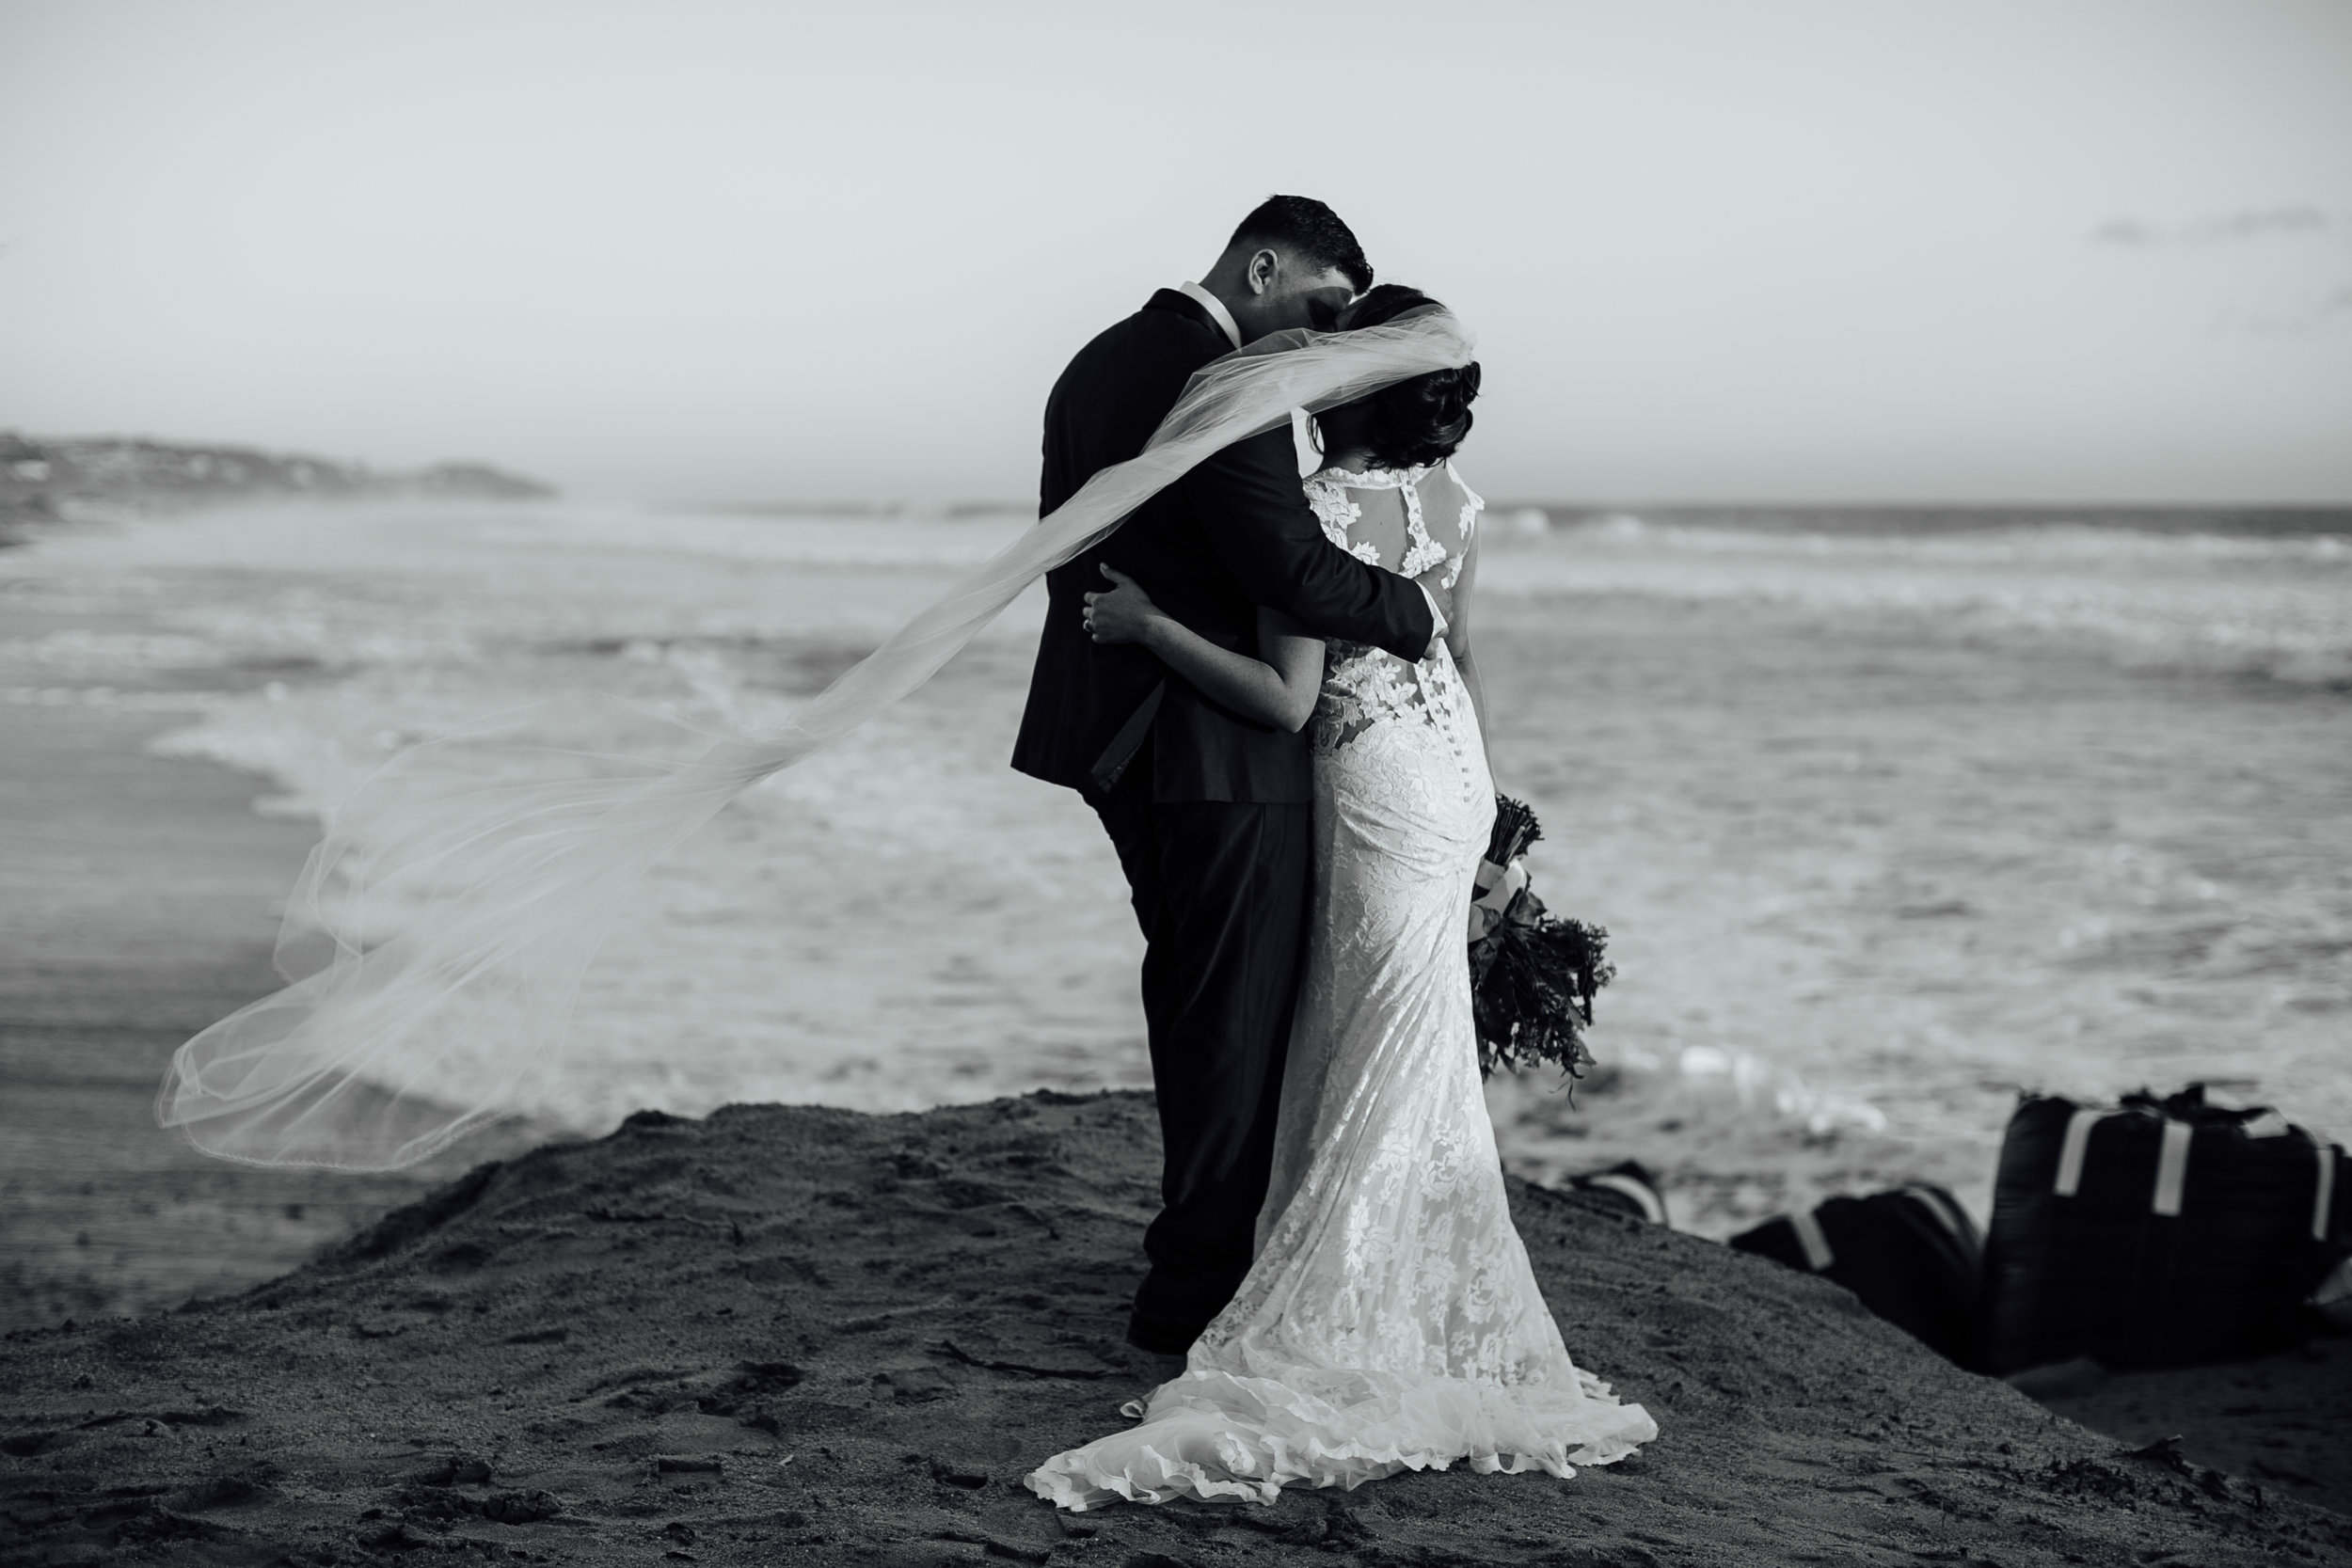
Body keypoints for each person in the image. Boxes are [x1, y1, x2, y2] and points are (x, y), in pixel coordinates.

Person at [1025, 285, 1657, 1508]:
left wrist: (1152, 623)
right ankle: (1417, 1247)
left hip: (1371, 784)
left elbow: (1286, 701)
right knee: (1413, 1034)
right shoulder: (1458, 506)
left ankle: (1346, 1275)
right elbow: (1462, 659)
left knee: (1362, 1029)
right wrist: (1495, 819)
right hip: (1454, 778)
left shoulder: (1314, 513)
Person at [1011, 197, 1444, 1358]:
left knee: (1200, 998)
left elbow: (1075, 534)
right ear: (1262, 266)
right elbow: (1286, 562)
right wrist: (1415, 606)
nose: (1319, 345)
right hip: (1208, 743)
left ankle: (1205, 1255)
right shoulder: (1216, 379)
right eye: (1316, 308)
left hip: (1118, 728)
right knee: (1228, 1017)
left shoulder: (1095, 358)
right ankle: (1193, 1290)